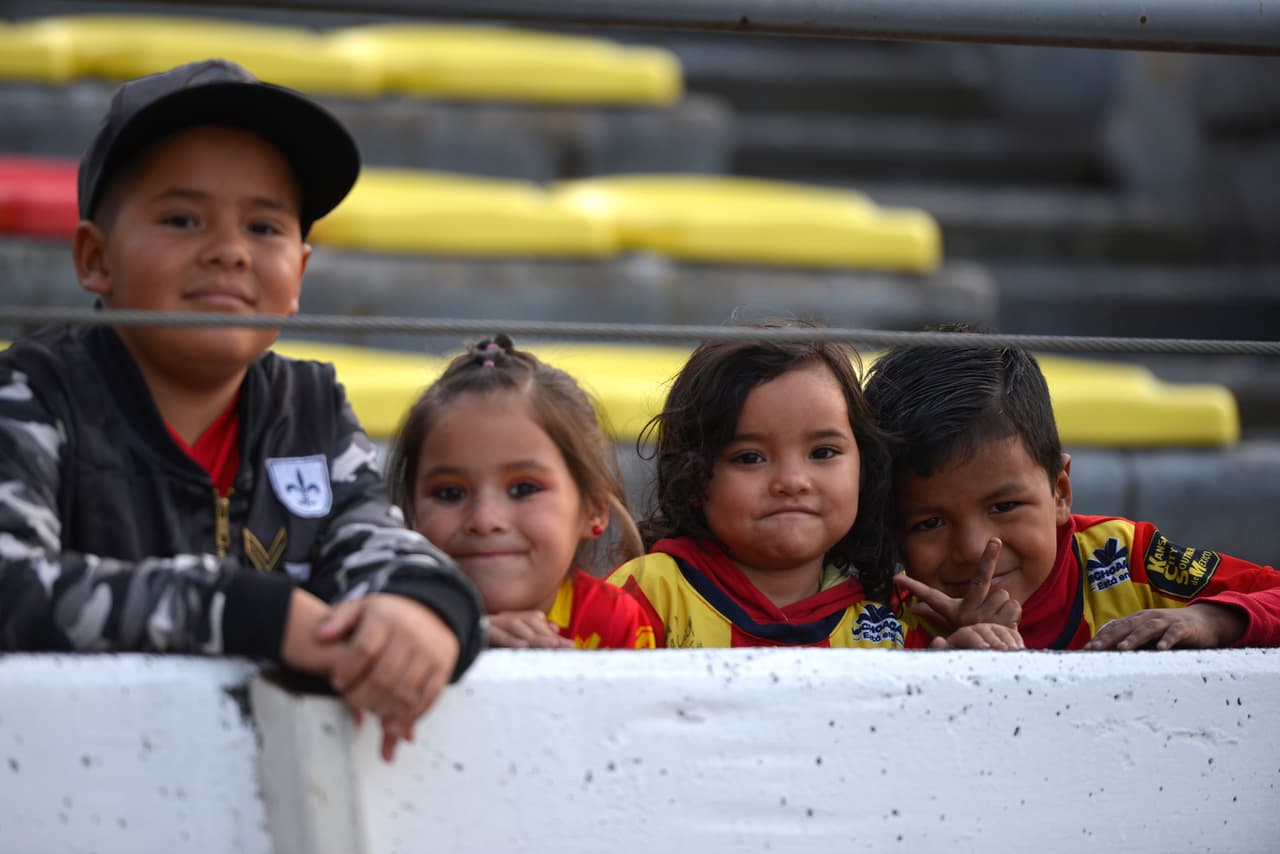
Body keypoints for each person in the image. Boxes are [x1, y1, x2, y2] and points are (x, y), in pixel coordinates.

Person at [0, 59, 486, 760]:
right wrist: (250, 613)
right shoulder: (31, 394)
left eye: (263, 227)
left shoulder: (312, 408)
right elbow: (12, 585)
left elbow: (376, 540)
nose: (228, 251)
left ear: (299, 274)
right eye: (182, 218)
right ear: (94, 259)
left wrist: (422, 607)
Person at [607, 332, 1022, 649]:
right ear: (693, 478)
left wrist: (973, 654)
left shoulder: (902, 616)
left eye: (823, 452)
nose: (793, 481)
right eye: (750, 457)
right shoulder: (646, 594)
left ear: (865, 467)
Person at [864, 340, 1280, 650]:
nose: (974, 550)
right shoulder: (882, 620)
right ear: (892, 530)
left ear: (1060, 492)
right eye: (930, 523)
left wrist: (1212, 619)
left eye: (1004, 506)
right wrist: (950, 664)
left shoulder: (1121, 560)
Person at [388, 335, 655, 650]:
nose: (485, 520)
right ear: (410, 513)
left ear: (593, 507)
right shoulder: (386, 618)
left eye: (523, 489)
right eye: (449, 493)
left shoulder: (614, 622)